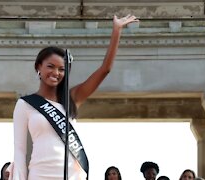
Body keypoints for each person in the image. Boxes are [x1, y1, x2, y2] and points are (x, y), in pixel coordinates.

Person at [10, 14, 139, 180]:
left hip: (71, 175)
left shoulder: (72, 98)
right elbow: (20, 151)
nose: (56, 73)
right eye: (50, 66)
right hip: (39, 174)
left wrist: (117, 30)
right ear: (38, 68)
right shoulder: (25, 104)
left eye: (61, 69)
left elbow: (104, 70)